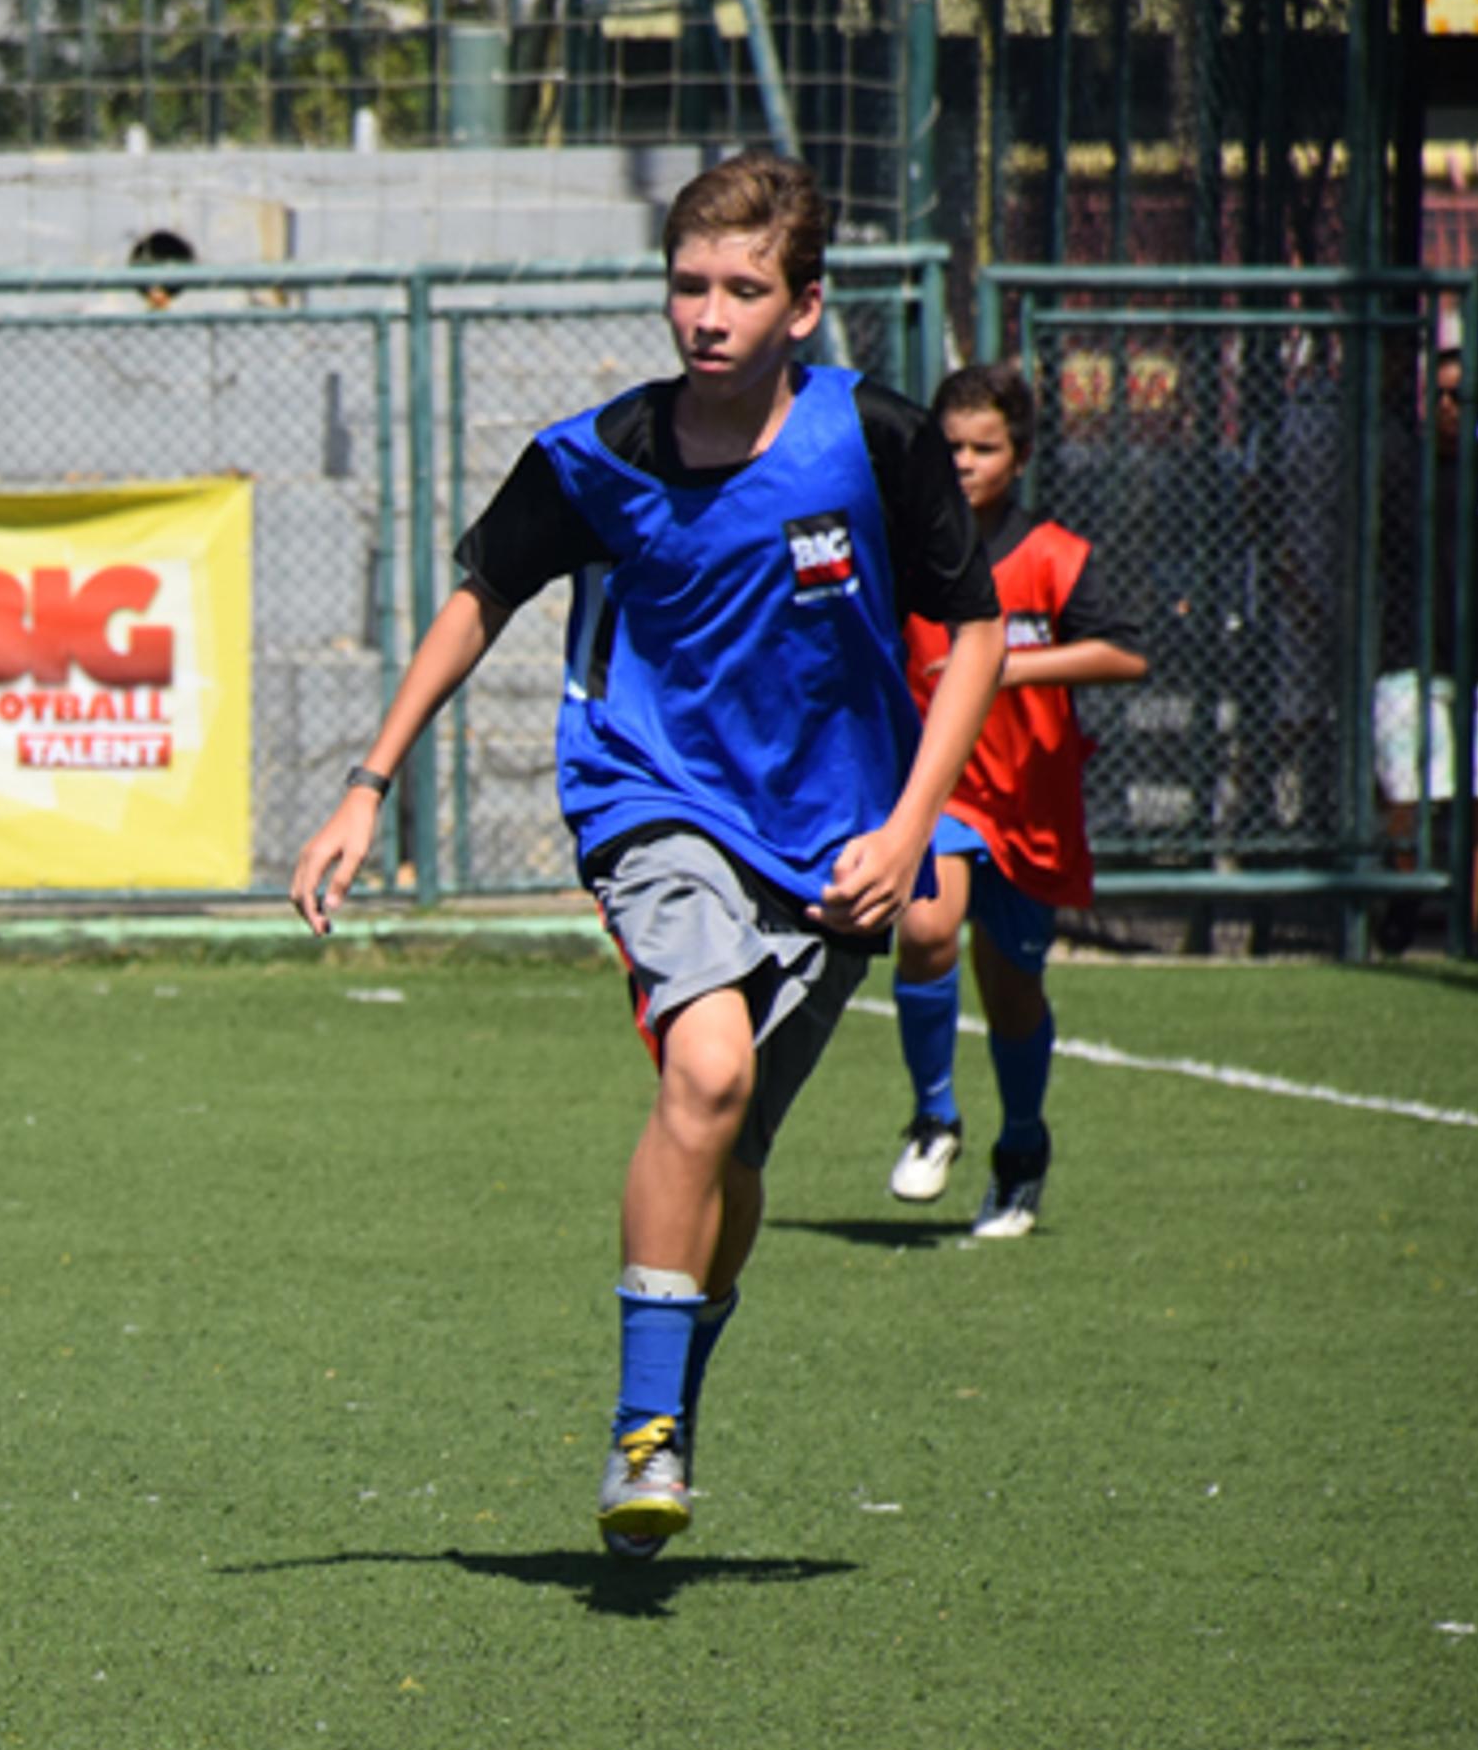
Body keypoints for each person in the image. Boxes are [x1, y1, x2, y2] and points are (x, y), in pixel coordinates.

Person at [287, 152, 1005, 1558]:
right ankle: (642, 1431)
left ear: (806, 308)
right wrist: (368, 784)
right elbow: (479, 592)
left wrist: (909, 827)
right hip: (650, 797)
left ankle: (672, 1395)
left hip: (837, 836)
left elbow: (971, 631)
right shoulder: (596, 456)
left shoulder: (879, 441)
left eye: (746, 289)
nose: (710, 314)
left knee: (736, 1155)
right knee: (709, 1070)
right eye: (690, 284)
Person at [885, 361, 1148, 1238]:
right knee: (923, 928)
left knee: (1014, 994)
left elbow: (1123, 654)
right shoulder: (909, 549)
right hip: (943, 791)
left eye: (983, 448)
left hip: (1031, 806)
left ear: (1021, 455)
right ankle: (933, 1118)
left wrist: (1011, 664)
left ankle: (1022, 1149)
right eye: (949, 446)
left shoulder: (1056, 556)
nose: (963, 462)